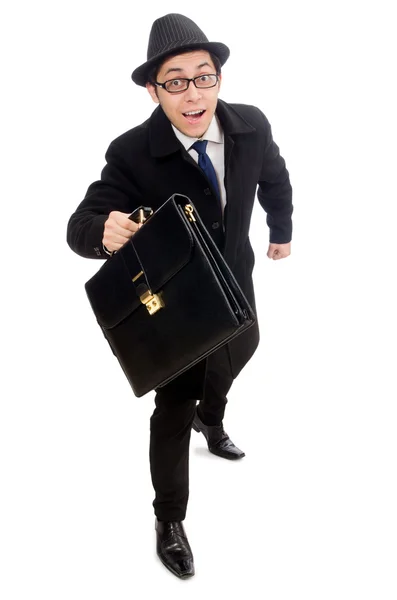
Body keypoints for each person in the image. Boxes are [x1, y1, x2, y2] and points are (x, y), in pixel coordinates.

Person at [67, 13, 293, 579]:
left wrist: (281, 229)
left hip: (235, 275)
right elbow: (81, 221)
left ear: (218, 78)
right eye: (175, 80)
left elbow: (275, 175)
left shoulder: (251, 126)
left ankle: (211, 421)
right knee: (173, 404)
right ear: (153, 88)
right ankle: (169, 518)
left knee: (243, 349)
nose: (193, 93)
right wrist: (104, 231)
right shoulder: (131, 152)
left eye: (204, 77)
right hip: (178, 303)